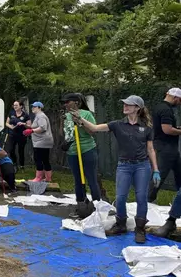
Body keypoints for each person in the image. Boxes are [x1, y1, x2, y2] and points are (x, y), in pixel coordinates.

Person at [75, 95, 160, 244]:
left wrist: (156, 169)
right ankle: (120, 224)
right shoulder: (117, 124)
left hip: (142, 166)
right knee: (120, 198)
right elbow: (95, 128)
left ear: (137, 108)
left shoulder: (146, 127)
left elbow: (151, 149)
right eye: (124, 104)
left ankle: (140, 229)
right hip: (124, 165)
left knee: (141, 198)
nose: (125, 106)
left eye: (129, 104)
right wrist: (81, 120)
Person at [61, 93, 103, 218]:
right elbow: (67, 133)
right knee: (77, 179)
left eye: (68, 102)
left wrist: (80, 122)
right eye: (65, 102)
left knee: (91, 178)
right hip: (73, 151)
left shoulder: (86, 114)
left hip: (87, 149)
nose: (66, 104)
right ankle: (81, 206)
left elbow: (92, 131)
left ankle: (97, 206)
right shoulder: (66, 116)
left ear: (76, 102)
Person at [148, 88, 181, 203]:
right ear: (175, 98)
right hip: (165, 148)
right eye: (180, 100)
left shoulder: (159, 107)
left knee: (179, 174)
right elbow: (167, 130)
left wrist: (177, 129)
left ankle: (179, 199)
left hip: (166, 146)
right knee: (159, 175)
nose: (179, 103)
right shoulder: (166, 110)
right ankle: (147, 200)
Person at [23, 102, 54, 182]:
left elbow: (43, 128)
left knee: (38, 159)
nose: (32, 108)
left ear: (39, 107)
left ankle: (38, 178)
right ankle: (48, 178)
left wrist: (31, 131)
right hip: (44, 141)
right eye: (32, 107)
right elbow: (35, 126)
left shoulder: (41, 116)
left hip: (41, 142)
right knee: (45, 159)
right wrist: (25, 125)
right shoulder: (39, 116)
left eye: (34, 107)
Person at [5, 101, 32, 171]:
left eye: (16, 105)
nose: (15, 107)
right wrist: (11, 127)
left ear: (21, 106)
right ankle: (14, 164)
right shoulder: (11, 113)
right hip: (12, 135)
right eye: (14, 105)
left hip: (21, 136)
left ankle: (22, 166)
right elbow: (7, 123)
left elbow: (29, 126)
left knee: (21, 151)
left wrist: (23, 124)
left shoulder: (26, 115)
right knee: (11, 150)